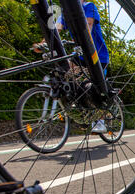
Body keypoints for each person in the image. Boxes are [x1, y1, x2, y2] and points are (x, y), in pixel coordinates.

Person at [33, 0, 110, 134]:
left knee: (97, 87)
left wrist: (83, 45)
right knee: (68, 77)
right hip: (79, 53)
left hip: (97, 54)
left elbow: (88, 26)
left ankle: (100, 121)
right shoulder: (65, 13)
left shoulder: (89, 6)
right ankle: (82, 111)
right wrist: (44, 44)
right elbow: (56, 29)